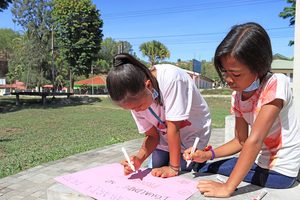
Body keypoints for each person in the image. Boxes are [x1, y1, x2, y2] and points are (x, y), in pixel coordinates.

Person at [183, 22, 300, 197]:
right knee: (205, 164)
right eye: (224, 72)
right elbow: (241, 141)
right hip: (260, 162)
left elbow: (255, 140)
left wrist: (228, 187)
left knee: (209, 168)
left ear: (259, 67)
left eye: (236, 74)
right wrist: (208, 154)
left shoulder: (276, 83)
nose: (229, 80)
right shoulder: (238, 94)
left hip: (281, 171)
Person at [107, 53, 211, 178]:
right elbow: (152, 135)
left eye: (138, 106)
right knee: (156, 171)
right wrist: (139, 158)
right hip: (165, 138)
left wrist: (173, 168)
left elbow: (174, 128)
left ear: (148, 85)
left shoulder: (172, 79)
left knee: (184, 173)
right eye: (131, 109)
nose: (137, 111)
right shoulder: (134, 96)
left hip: (192, 137)